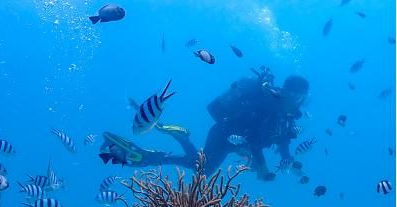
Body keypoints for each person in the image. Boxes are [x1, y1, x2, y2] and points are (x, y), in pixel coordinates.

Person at [110, 68, 309, 180]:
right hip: (224, 135)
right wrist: (263, 165)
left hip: (240, 143)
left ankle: (179, 139)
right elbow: (255, 139)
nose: (297, 100)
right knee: (202, 169)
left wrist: (287, 157)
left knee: (200, 164)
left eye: (301, 97)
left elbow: (283, 138)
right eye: (294, 94)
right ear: (285, 90)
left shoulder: (287, 113)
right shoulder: (269, 104)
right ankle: (158, 153)